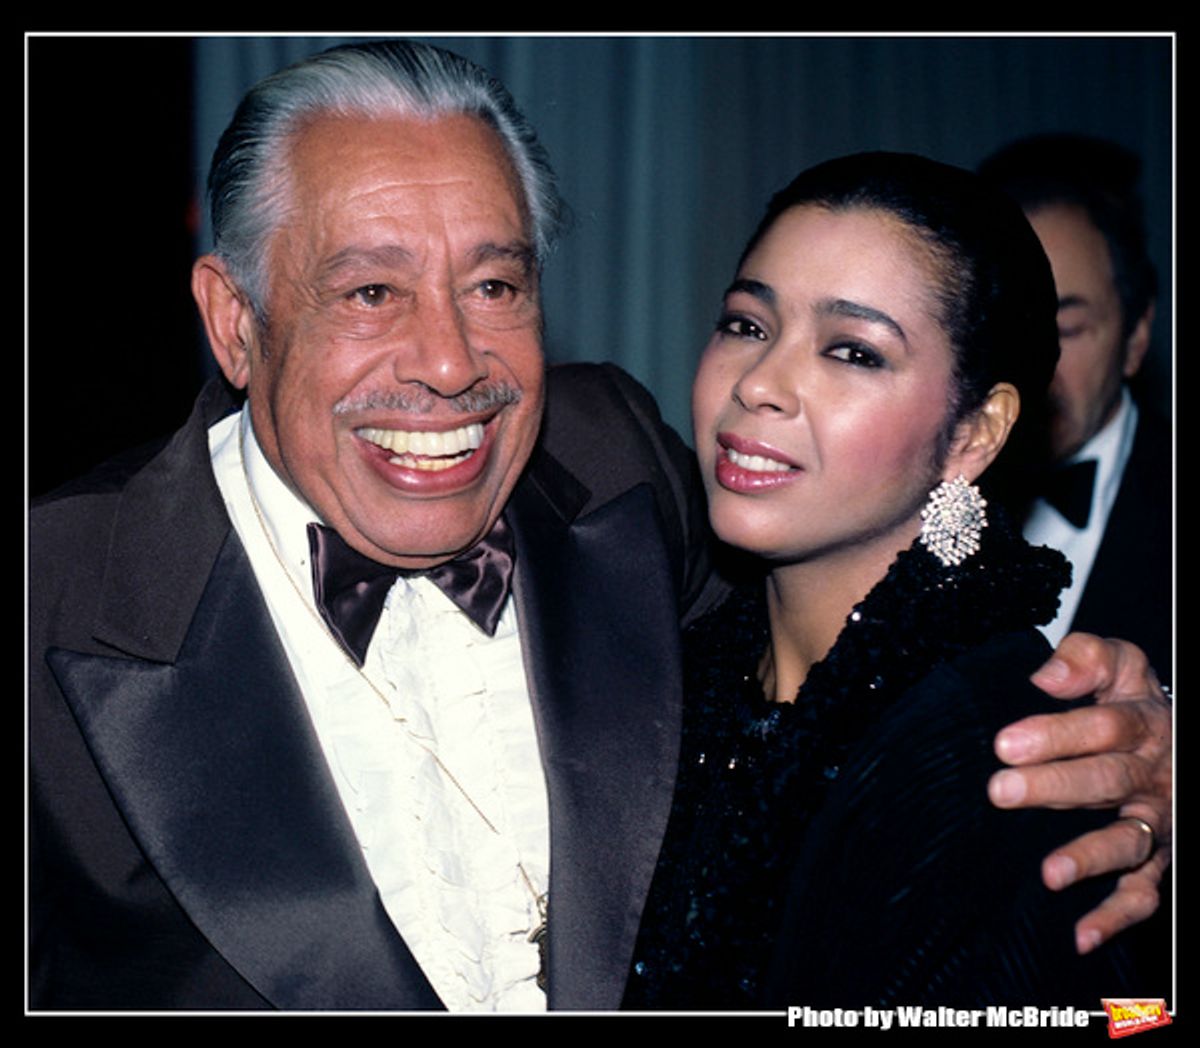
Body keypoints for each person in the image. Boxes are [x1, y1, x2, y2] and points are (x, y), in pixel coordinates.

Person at [29, 42, 1170, 1012]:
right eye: (371, 292)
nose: (448, 362)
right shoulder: (55, 594)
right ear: (236, 322)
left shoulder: (616, 470)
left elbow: (1115, 1005)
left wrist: (1148, 733)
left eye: (494, 286)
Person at [625, 153, 1165, 1010]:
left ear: (974, 433)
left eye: (852, 351)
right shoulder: (681, 674)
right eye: (747, 325)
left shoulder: (1002, 762)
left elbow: (1124, 1016)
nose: (759, 385)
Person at [979, 134, 1171, 681]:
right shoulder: (902, 494)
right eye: (1005, 328)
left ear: (1136, 337)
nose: (1033, 363)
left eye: (1066, 330)